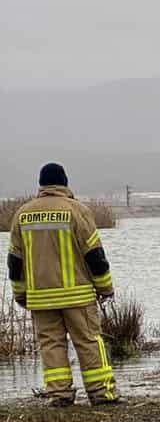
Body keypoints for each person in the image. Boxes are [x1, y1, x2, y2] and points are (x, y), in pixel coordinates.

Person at [6, 163, 120, 407]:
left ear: (41, 185)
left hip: (40, 299)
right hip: (77, 296)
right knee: (89, 342)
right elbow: (95, 256)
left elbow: (14, 262)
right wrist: (105, 288)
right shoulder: (76, 211)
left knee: (51, 345)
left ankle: (59, 395)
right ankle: (101, 393)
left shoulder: (22, 214)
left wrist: (20, 295)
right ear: (65, 183)